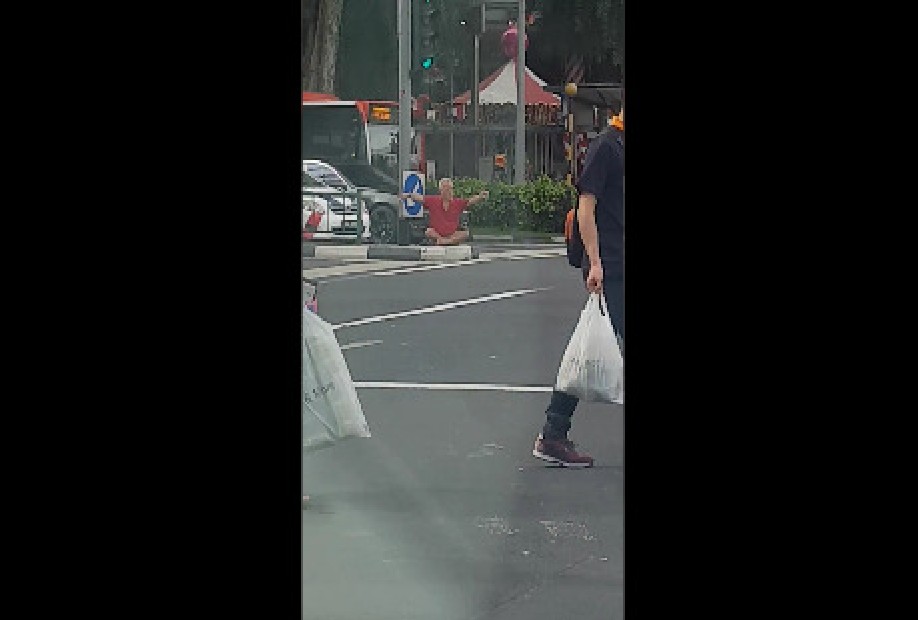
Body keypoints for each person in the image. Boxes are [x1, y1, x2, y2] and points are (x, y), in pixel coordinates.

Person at [532, 104, 625, 468]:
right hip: (613, 265)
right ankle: (553, 432)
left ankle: (554, 432)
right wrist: (596, 262)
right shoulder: (607, 147)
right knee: (586, 352)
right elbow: (586, 208)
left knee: (586, 354)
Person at [399, 177, 489, 245]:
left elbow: (470, 201)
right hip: (437, 233)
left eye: (451, 189)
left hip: (452, 234)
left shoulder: (457, 202)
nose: (450, 191)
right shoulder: (433, 201)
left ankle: (447, 241)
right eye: (447, 189)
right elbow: (419, 198)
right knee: (429, 231)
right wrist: (408, 195)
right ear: (441, 190)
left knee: (465, 234)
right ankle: (442, 240)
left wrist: (480, 197)